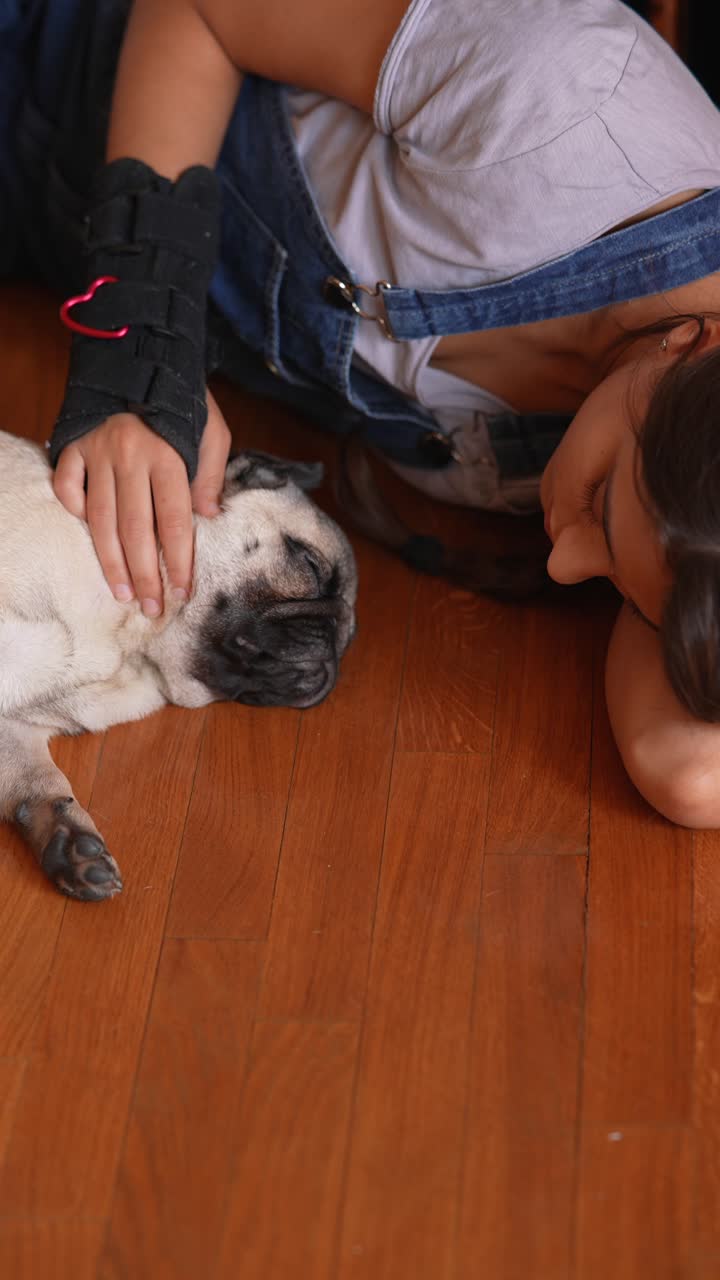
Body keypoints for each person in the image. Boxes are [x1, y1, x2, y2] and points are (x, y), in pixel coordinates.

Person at [3, 0, 720, 826]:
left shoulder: (685, 525)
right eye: (599, 502)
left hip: (41, 245)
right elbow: (199, 10)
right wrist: (144, 337)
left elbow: (689, 774)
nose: (564, 562)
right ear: (692, 351)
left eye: (626, 601)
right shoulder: (561, 98)